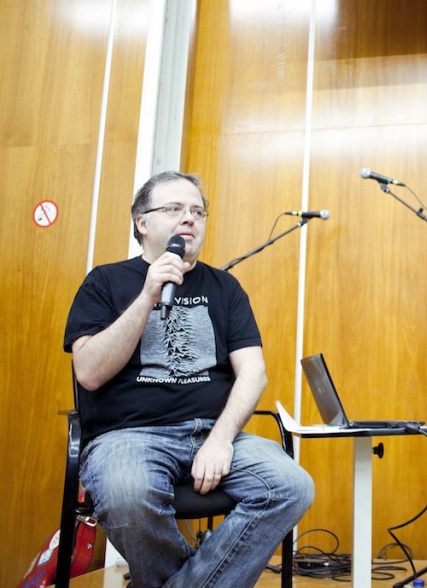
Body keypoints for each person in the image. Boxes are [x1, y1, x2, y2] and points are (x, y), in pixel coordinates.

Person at [63, 171, 314, 588]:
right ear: (142, 222)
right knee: (128, 494)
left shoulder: (225, 287)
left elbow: (253, 371)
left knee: (291, 485)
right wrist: (147, 296)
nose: (189, 219)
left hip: (212, 433)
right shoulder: (105, 282)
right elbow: (88, 373)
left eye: (197, 211)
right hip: (128, 435)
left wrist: (220, 439)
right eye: (175, 209)